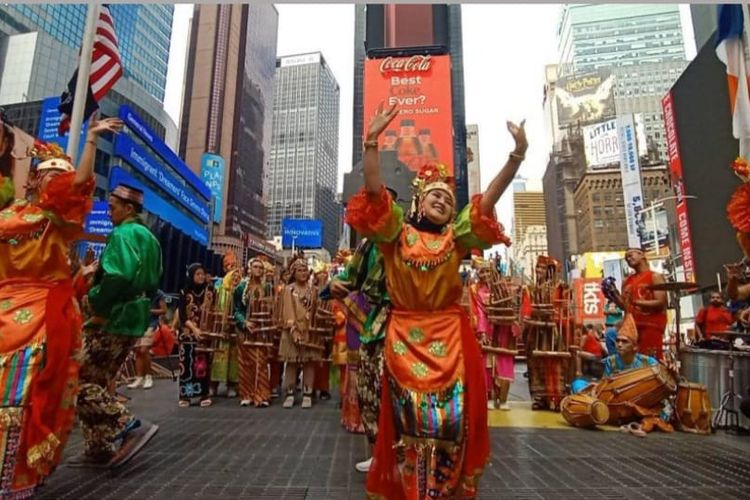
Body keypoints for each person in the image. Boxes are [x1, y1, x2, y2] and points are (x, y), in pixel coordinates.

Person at [347, 102, 523, 498]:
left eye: (447, 197)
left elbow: (487, 202)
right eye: (434, 196)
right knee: (408, 427)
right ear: (418, 201)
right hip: (404, 339)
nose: (442, 201)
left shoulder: (456, 239)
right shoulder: (396, 234)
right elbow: (374, 192)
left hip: (450, 343)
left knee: (451, 425)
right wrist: (371, 142)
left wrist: (517, 156)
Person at [0, 118, 120, 494]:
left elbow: (78, 186)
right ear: (34, 179)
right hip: (9, 312)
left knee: (26, 398)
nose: (58, 181)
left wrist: (91, 144)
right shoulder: (11, 215)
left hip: (40, 320)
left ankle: (17, 477)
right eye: (50, 174)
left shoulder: (56, 221)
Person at [75, 182, 162, 467]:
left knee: (78, 382)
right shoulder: (149, 238)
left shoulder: (123, 234)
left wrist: (94, 300)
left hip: (112, 316)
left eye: (112, 207)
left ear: (128, 208)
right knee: (99, 380)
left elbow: (118, 276)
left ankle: (130, 425)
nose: (109, 211)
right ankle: (98, 447)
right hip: (133, 317)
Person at [329, 234, 391, 474]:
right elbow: (349, 278)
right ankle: (379, 454)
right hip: (370, 324)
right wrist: (333, 283)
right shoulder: (368, 244)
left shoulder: (404, 236)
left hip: (404, 320)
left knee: (395, 392)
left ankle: (402, 457)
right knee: (369, 390)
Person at [469, 258, 516, 410]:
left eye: (488, 271)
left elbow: (511, 307)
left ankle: (502, 399)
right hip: (486, 329)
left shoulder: (502, 287)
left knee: (503, 361)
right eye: (482, 272)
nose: (485, 275)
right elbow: (476, 312)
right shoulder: (474, 290)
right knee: (487, 364)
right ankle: (489, 396)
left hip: (502, 330)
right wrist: (481, 330)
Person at [278, 258, 320, 409]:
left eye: (305, 270)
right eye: (299, 270)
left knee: (309, 361)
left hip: (310, 330)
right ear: (293, 273)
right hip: (292, 330)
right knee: (291, 361)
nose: (303, 273)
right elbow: (287, 310)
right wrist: (293, 329)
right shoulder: (288, 289)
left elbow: (317, 310)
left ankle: (307, 393)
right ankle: (290, 393)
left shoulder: (314, 290)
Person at [612, 248, 668, 360]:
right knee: (630, 360)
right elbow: (625, 306)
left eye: (630, 255)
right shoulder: (626, 281)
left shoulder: (654, 276)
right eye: (626, 258)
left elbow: (661, 303)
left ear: (641, 255)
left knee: (650, 359)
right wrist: (613, 294)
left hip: (651, 325)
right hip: (631, 326)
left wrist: (637, 302)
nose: (628, 259)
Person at [235, 257, 273, 407]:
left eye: (261, 267)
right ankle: (246, 394)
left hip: (262, 330)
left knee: (261, 362)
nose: (258, 270)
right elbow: (236, 310)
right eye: (255, 267)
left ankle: (262, 395)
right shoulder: (241, 287)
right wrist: (244, 322)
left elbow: (271, 306)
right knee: (246, 362)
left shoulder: (267, 287)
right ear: (250, 269)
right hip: (245, 330)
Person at [177, 264, 213, 408]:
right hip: (187, 335)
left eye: (202, 274)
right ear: (191, 275)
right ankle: (185, 395)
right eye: (197, 274)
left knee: (202, 365)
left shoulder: (210, 291)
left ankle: (204, 394)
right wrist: (194, 329)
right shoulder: (184, 292)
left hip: (204, 334)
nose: (201, 277)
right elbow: (182, 315)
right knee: (186, 366)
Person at [211, 252, 240, 398]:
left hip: (236, 327)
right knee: (218, 355)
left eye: (234, 266)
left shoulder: (241, 286)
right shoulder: (218, 286)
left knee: (234, 357)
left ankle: (232, 385)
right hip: (220, 327)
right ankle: (213, 385)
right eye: (229, 266)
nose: (232, 269)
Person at [128, 289, 167, 390]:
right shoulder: (137, 292)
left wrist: (149, 311)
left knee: (144, 349)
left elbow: (164, 310)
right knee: (137, 351)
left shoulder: (158, 293)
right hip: (137, 324)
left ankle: (149, 376)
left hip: (150, 324)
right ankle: (139, 377)